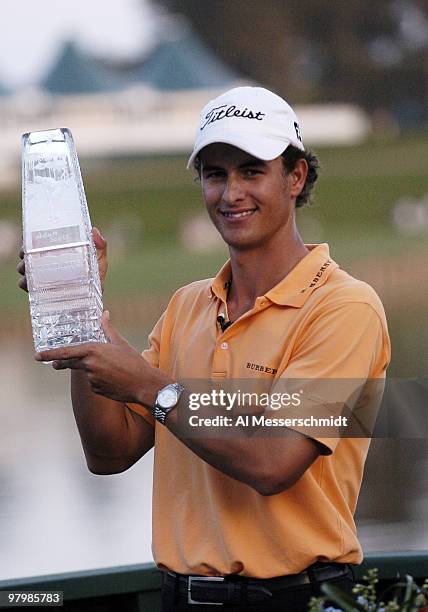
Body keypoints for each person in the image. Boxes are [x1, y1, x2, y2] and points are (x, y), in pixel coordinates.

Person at [18, 86, 390, 611]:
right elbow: (110, 452)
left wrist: (149, 388)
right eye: (215, 174)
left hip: (296, 598)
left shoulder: (344, 307)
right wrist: (81, 309)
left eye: (250, 171)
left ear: (296, 177)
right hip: (183, 598)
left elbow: (273, 463)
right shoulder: (188, 306)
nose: (230, 192)